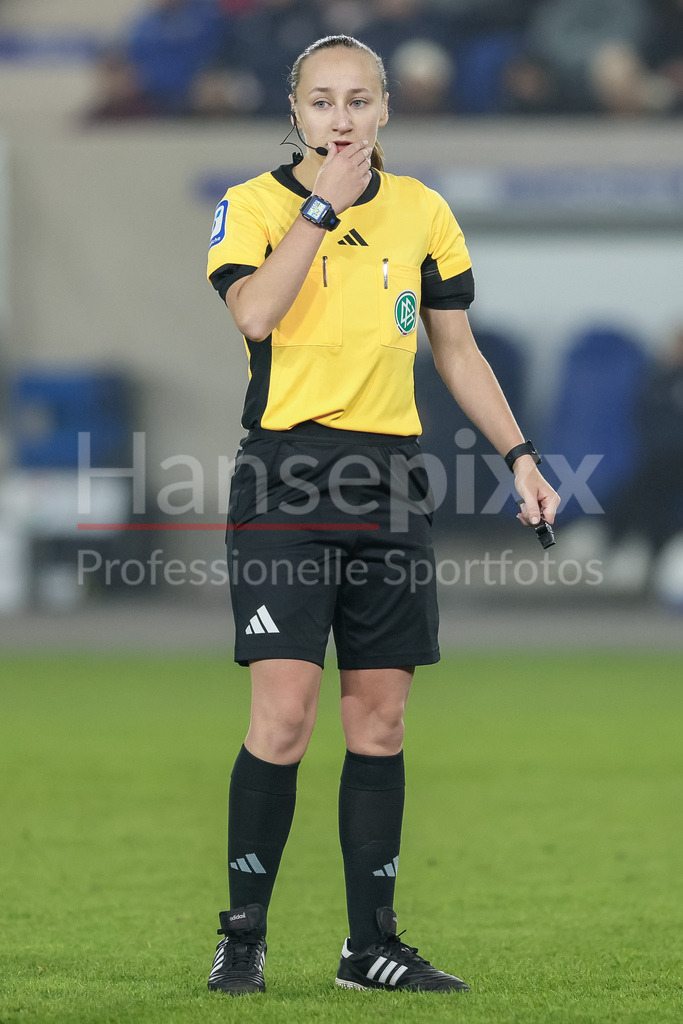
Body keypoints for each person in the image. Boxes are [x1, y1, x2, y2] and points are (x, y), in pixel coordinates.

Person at [205, 34, 560, 996]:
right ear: (296, 114)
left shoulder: (424, 212)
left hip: (391, 480)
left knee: (383, 722)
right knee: (283, 719)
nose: (341, 119)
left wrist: (520, 457)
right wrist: (322, 206)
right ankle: (242, 939)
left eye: (358, 101)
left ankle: (370, 947)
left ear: (386, 108)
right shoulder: (251, 204)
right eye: (322, 103)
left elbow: (456, 351)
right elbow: (253, 315)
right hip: (286, 476)